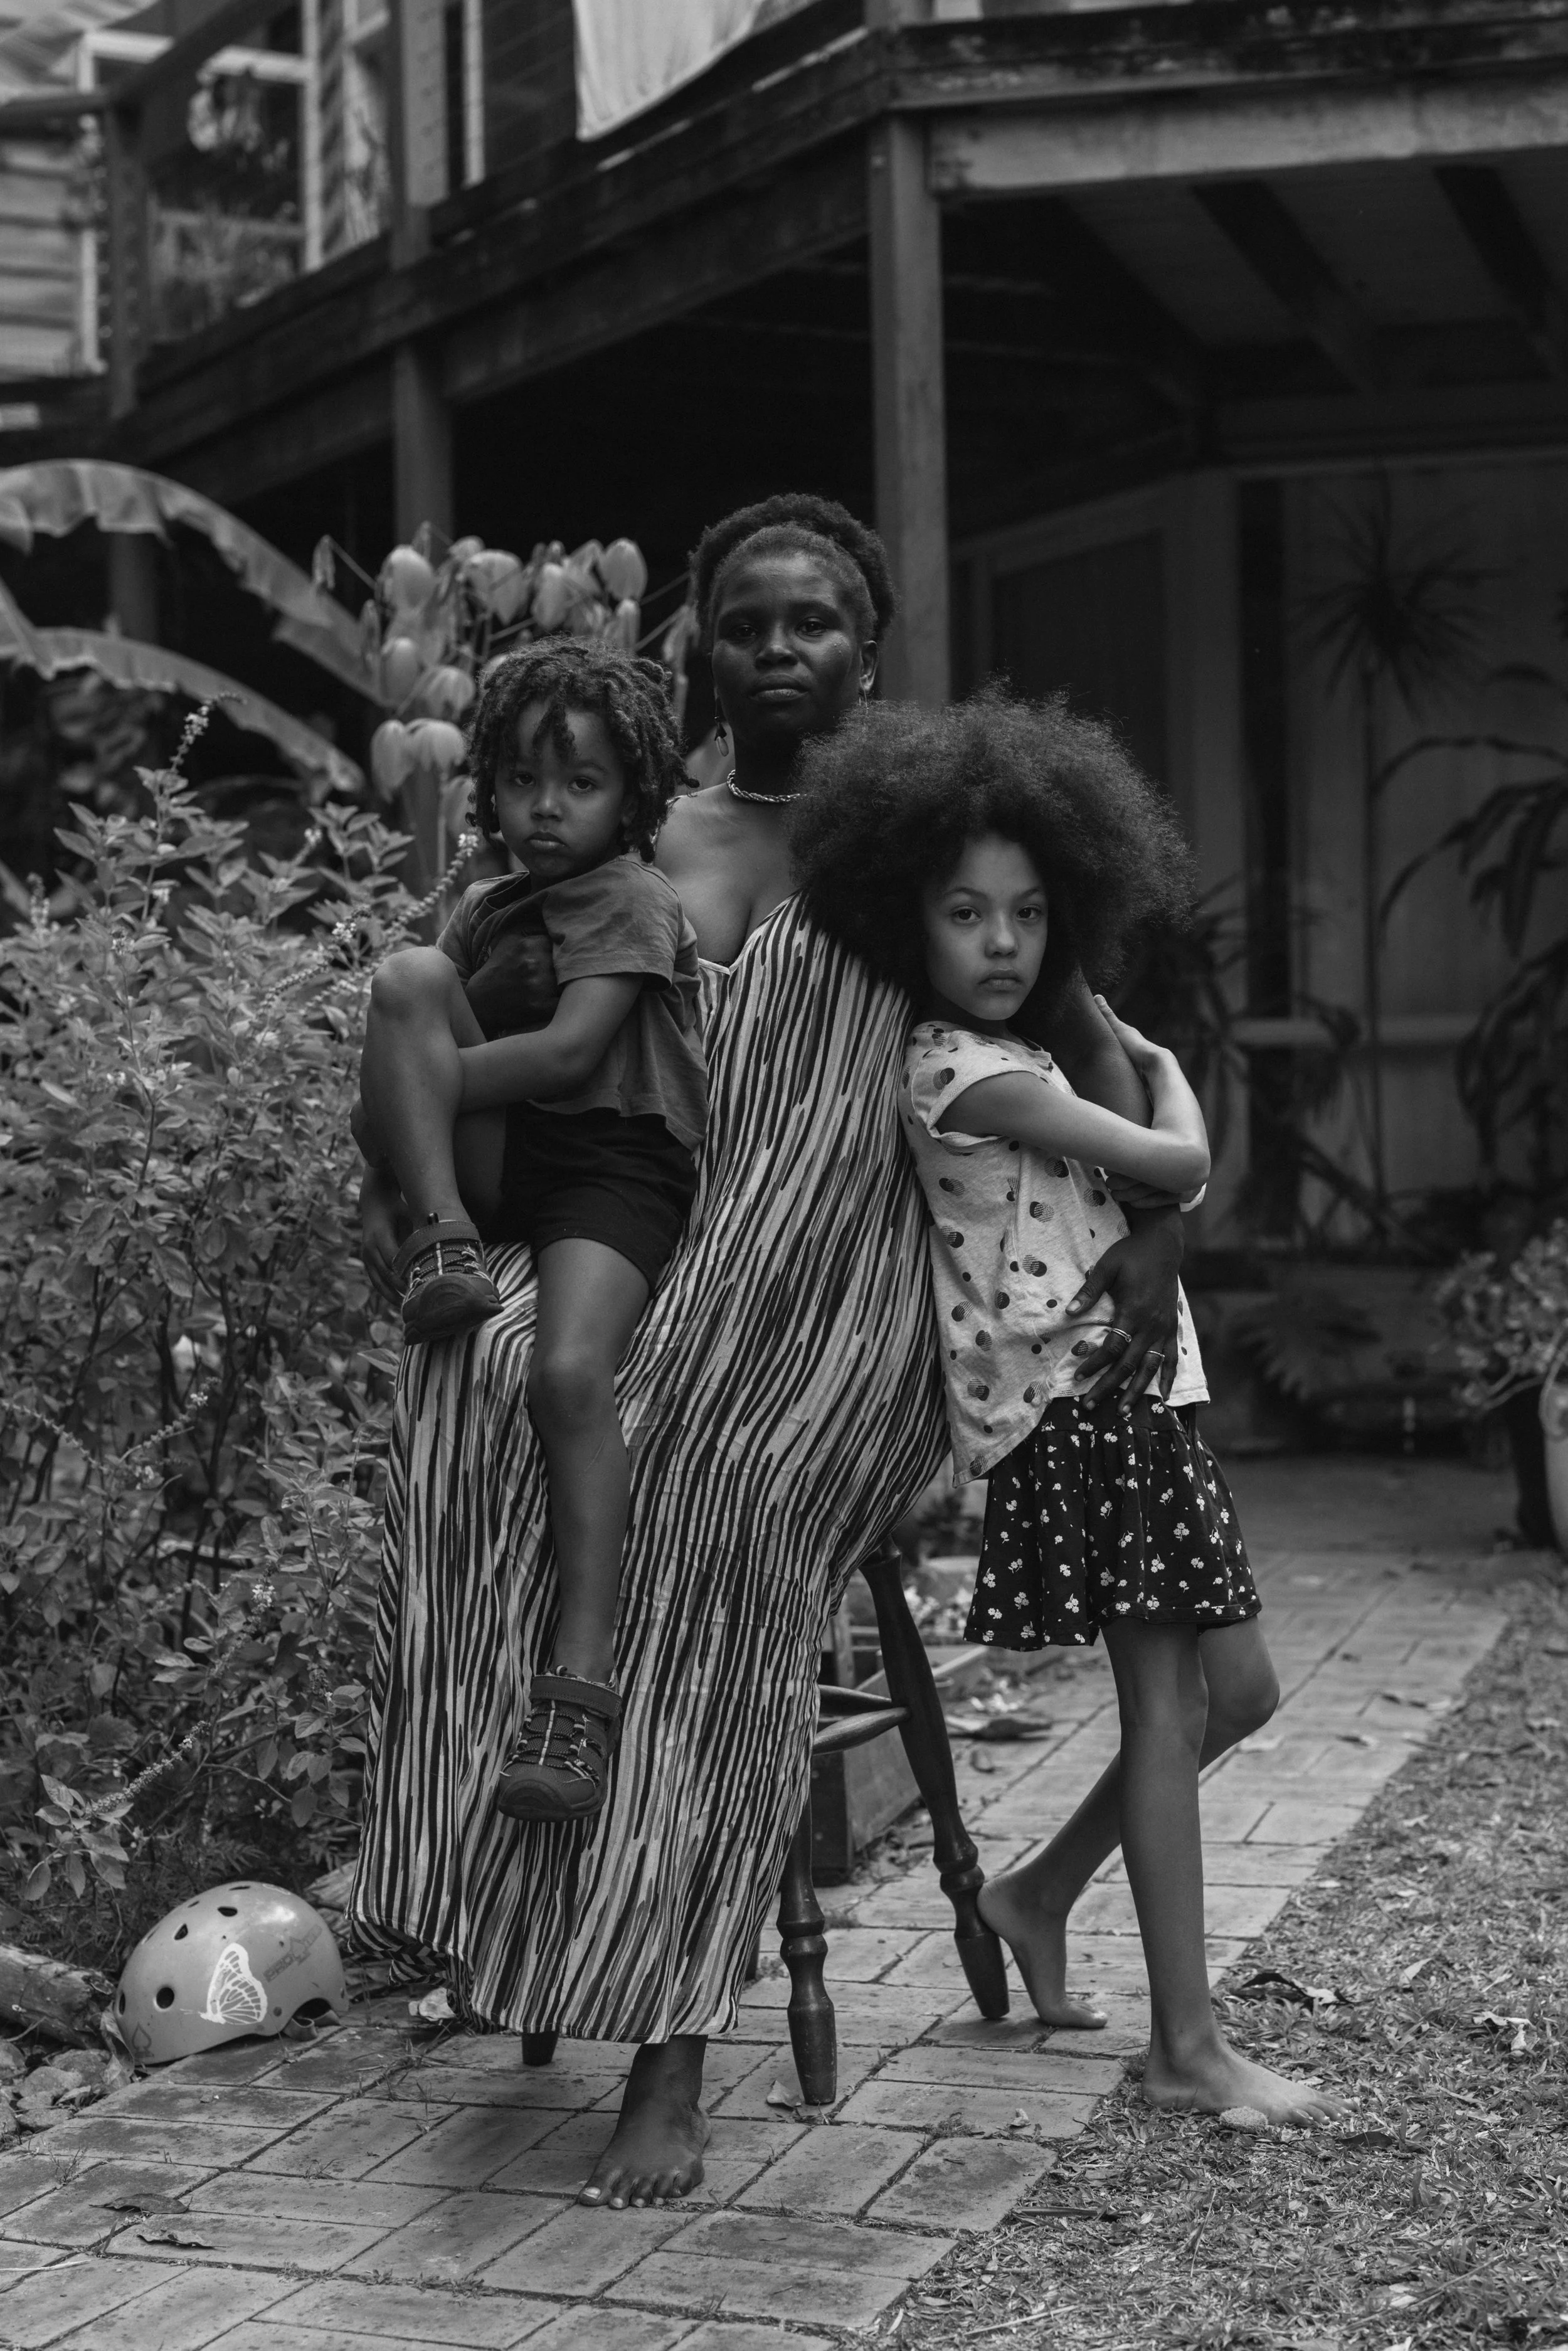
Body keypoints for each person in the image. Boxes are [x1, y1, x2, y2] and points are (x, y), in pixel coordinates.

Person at [350, 493, 1193, 2211]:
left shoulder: (918, 840)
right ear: (703, 650)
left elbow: (1087, 1038)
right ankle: (507, 1902)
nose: (777, 647)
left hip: (838, 1297)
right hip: (646, 1244)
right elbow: (451, 1007)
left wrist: (1158, 1229)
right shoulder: (637, 830)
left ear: (868, 645)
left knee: (707, 1494)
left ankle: (671, 2039)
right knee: (472, 1394)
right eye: (743, 621)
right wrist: (412, 1194)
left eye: (812, 620)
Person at [790, 690, 1340, 2125]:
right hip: (1075, 1408)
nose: (1001, 943)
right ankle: (1183, 2045)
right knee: (1165, 1703)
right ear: (906, 920)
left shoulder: (1031, 1043)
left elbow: (1141, 1143)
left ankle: (1036, 1891)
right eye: (966, 913)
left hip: (1133, 1397)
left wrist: (1143, 1101)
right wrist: (1167, 1098)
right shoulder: (957, 1069)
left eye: (1029, 914)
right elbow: (1176, 1159)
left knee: (1237, 1694)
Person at [356, 640, 706, 1820]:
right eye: (521, 781)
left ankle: (578, 1693)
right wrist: (386, 1180)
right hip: (505, 1161)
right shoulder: (482, 907)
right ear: (489, 790)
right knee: (408, 976)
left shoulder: (633, 897)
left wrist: (416, 1093)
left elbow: (567, 1054)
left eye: (582, 783)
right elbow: (401, 1051)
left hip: (614, 1160)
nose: (547, 807)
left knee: (566, 1378)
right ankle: (445, 1243)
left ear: (634, 796)